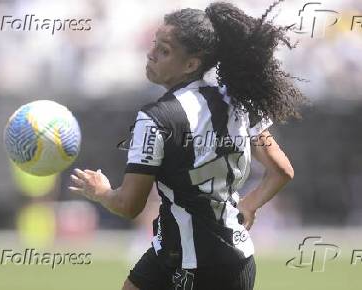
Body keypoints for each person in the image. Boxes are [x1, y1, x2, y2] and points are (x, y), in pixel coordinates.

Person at [69, 1, 306, 289]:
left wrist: (101, 192)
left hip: (195, 264)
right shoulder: (241, 104)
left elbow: (129, 205)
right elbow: (282, 170)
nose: (151, 53)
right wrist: (250, 205)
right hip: (216, 256)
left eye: (164, 50)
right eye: (154, 43)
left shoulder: (156, 118)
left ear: (192, 64)